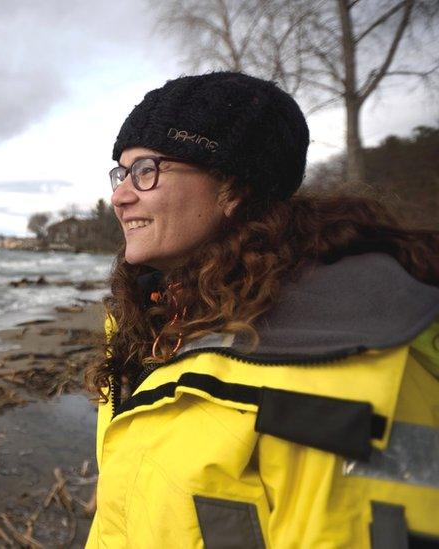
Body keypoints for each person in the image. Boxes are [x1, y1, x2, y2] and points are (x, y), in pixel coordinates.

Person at [85, 72, 439, 548]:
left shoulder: (345, 363)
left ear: (233, 187)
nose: (120, 195)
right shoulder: (151, 326)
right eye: (121, 173)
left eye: (147, 169)